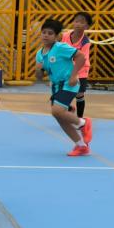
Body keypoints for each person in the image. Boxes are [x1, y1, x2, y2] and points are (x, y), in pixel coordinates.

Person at [35, 19, 93, 157]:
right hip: (56, 87)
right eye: (44, 32)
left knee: (56, 110)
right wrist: (38, 70)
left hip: (69, 84)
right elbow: (39, 77)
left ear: (56, 36)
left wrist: (73, 76)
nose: (46, 35)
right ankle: (81, 146)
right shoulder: (39, 54)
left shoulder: (60, 47)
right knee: (59, 116)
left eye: (50, 33)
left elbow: (81, 57)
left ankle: (83, 123)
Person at [61, 12, 92, 118]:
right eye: (76, 21)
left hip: (81, 70)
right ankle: (69, 109)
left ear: (87, 26)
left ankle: (79, 119)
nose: (78, 24)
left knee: (79, 94)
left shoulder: (85, 42)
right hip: (66, 69)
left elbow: (82, 59)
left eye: (82, 22)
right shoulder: (65, 36)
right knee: (63, 93)